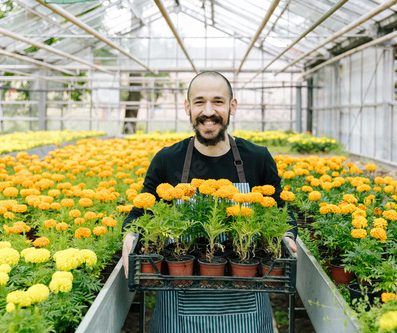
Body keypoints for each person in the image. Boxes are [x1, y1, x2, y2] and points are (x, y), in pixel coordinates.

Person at [122, 71, 297, 333]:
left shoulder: (256, 158)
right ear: (187, 107)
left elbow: (284, 212)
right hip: (179, 305)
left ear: (232, 106)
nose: (208, 111)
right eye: (199, 101)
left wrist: (288, 235)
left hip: (245, 302)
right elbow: (138, 212)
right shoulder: (168, 159)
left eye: (217, 101)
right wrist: (130, 235)